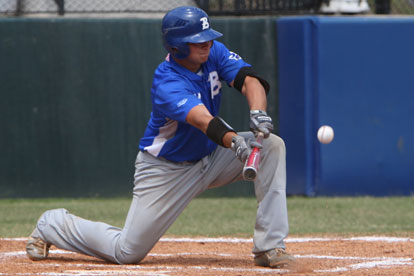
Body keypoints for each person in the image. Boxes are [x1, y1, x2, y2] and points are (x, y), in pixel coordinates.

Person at [26, 6, 295, 268]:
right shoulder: (166, 81)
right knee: (126, 251)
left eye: (207, 38)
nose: (207, 44)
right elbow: (202, 120)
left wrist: (258, 112)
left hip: (212, 156)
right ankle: (53, 224)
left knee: (271, 146)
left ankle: (269, 246)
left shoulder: (213, 53)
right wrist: (235, 141)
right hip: (167, 170)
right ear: (176, 46)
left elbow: (250, 79)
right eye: (197, 41)